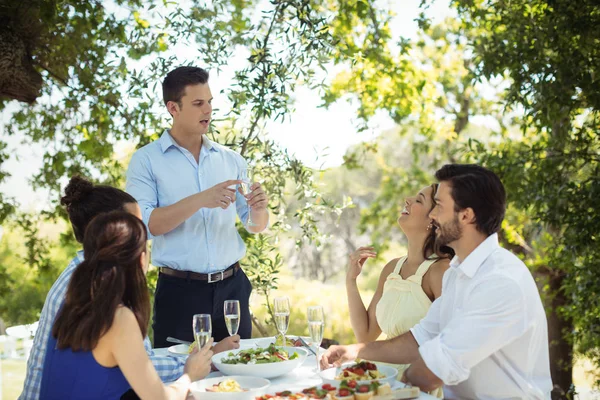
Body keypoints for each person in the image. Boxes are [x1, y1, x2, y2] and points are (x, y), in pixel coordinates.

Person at [322, 164, 552, 399]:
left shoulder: (500, 282)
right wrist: (354, 351)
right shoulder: (457, 272)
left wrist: (375, 389)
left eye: (439, 206)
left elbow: (436, 368)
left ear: (466, 215)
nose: (432, 215)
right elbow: (419, 338)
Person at [20, 176, 237, 400]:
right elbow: (156, 391)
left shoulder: (80, 286)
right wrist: (194, 369)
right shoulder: (110, 310)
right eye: (137, 229)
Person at [126, 66, 269, 347]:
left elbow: (254, 225)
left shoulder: (232, 160)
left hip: (233, 288)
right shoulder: (146, 161)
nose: (208, 110)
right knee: (182, 382)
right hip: (180, 294)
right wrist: (201, 199)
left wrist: (260, 208)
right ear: (173, 107)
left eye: (210, 102)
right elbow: (144, 226)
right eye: (198, 103)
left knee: (238, 381)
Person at [39, 211, 213, 399]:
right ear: (141, 259)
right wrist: (189, 374)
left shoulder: (72, 305)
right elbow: (159, 397)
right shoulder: (118, 318)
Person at [346, 184, 452, 398]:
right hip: (379, 380)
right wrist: (351, 281)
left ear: (432, 220)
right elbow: (366, 334)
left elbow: (449, 344)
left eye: (419, 200)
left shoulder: (440, 270)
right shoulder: (391, 268)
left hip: (415, 387)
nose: (408, 199)